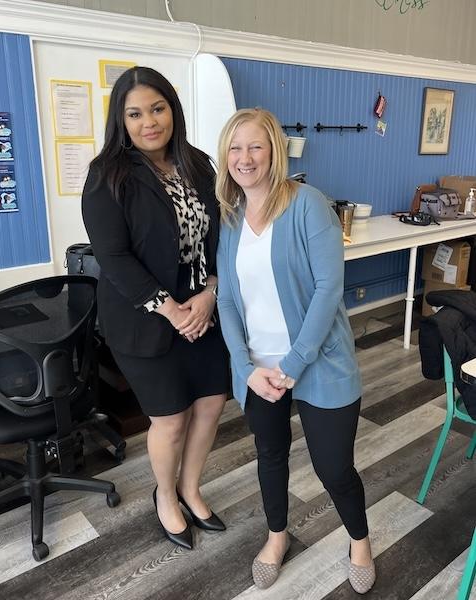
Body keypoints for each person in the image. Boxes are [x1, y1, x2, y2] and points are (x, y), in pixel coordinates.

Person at [215, 108, 375, 593]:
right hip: (259, 371)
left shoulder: (308, 204)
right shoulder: (231, 217)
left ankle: (360, 542)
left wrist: (292, 365)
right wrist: (245, 367)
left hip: (316, 363)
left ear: (275, 152)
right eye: (236, 147)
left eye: (255, 146)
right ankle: (277, 535)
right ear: (226, 156)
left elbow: (330, 289)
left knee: (334, 468)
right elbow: (225, 297)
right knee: (271, 456)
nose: (245, 158)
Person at [82, 66, 229, 551]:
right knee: (170, 418)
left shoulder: (199, 165)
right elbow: (114, 257)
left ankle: (191, 487)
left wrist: (209, 294)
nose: (149, 121)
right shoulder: (107, 175)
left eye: (158, 108)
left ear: (173, 109)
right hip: (145, 320)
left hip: (204, 310)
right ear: (120, 120)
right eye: (136, 113)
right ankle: (165, 496)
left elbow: (221, 239)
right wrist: (174, 310)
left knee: (210, 405)